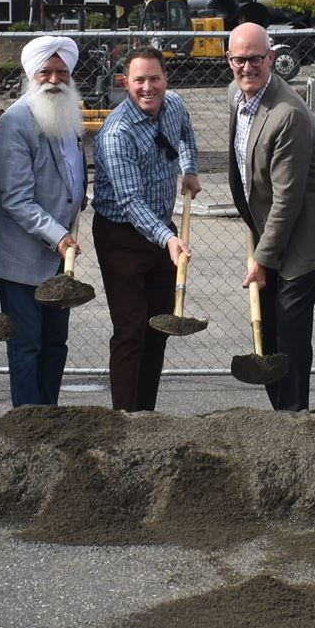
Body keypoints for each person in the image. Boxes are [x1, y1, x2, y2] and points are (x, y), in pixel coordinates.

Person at [226, 23, 315, 412]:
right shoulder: (236, 96)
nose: (247, 67)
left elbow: (288, 198)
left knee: (289, 329)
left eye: (256, 58)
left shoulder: (287, 114)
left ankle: (294, 417)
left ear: (271, 58)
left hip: (304, 240)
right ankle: (280, 415)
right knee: (268, 329)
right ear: (229, 61)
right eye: (239, 59)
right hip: (269, 231)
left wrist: (261, 259)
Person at [91, 46, 200, 412]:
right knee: (131, 330)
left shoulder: (174, 106)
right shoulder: (116, 133)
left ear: (166, 79)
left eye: (155, 78)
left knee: (157, 328)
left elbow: (186, 135)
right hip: (120, 236)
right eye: (139, 80)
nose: (148, 87)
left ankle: (146, 414)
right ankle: (123, 416)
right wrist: (168, 237)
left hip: (161, 232)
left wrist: (190, 168)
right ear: (125, 83)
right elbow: (129, 202)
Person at [0, 36, 89, 409]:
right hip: (24, 260)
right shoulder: (17, 121)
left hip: (59, 261)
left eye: (61, 72)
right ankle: (27, 422)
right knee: (27, 345)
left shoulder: (67, 114)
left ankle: (50, 417)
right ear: (31, 75)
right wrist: (59, 235)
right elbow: (15, 198)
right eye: (45, 72)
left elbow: (69, 177)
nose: (54, 79)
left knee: (54, 345)